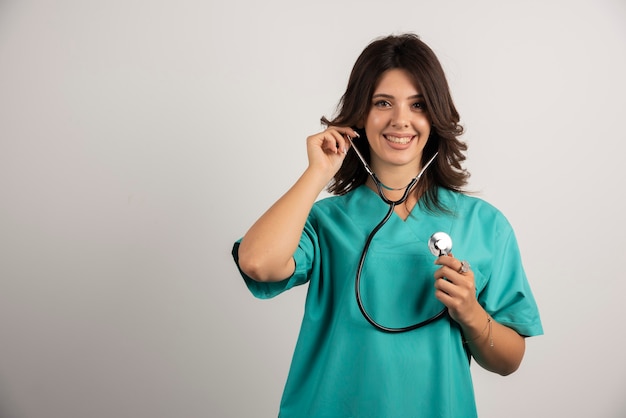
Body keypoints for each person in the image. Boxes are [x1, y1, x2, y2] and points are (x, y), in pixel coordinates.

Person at [231, 33, 543, 418]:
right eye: (383, 103)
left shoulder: (485, 225)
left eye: (418, 105)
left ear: (435, 117)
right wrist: (318, 173)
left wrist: (471, 314)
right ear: (361, 114)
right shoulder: (325, 222)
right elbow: (258, 262)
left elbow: (509, 360)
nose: (401, 120)